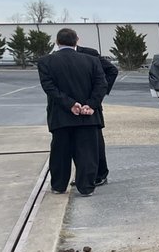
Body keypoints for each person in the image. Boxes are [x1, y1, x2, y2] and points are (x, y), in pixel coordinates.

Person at [37, 28, 108, 196]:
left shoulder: (45, 62)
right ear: (77, 40)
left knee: (60, 153)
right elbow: (101, 85)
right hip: (88, 116)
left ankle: (59, 186)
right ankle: (86, 187)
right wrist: (90, 105)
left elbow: (49, 87)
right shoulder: (92, 61)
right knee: (87, 153)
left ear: (57, 42)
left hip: (61, 116)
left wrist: (70, 104)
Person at [78, 46, 118, 186]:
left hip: (92, 103)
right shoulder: (61, 56)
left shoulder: (90, 53)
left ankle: (100, 174)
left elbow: (112, 70)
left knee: (95, 142)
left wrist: (99, 93)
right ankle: (83, 176)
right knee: (77, 144)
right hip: (72, 106)